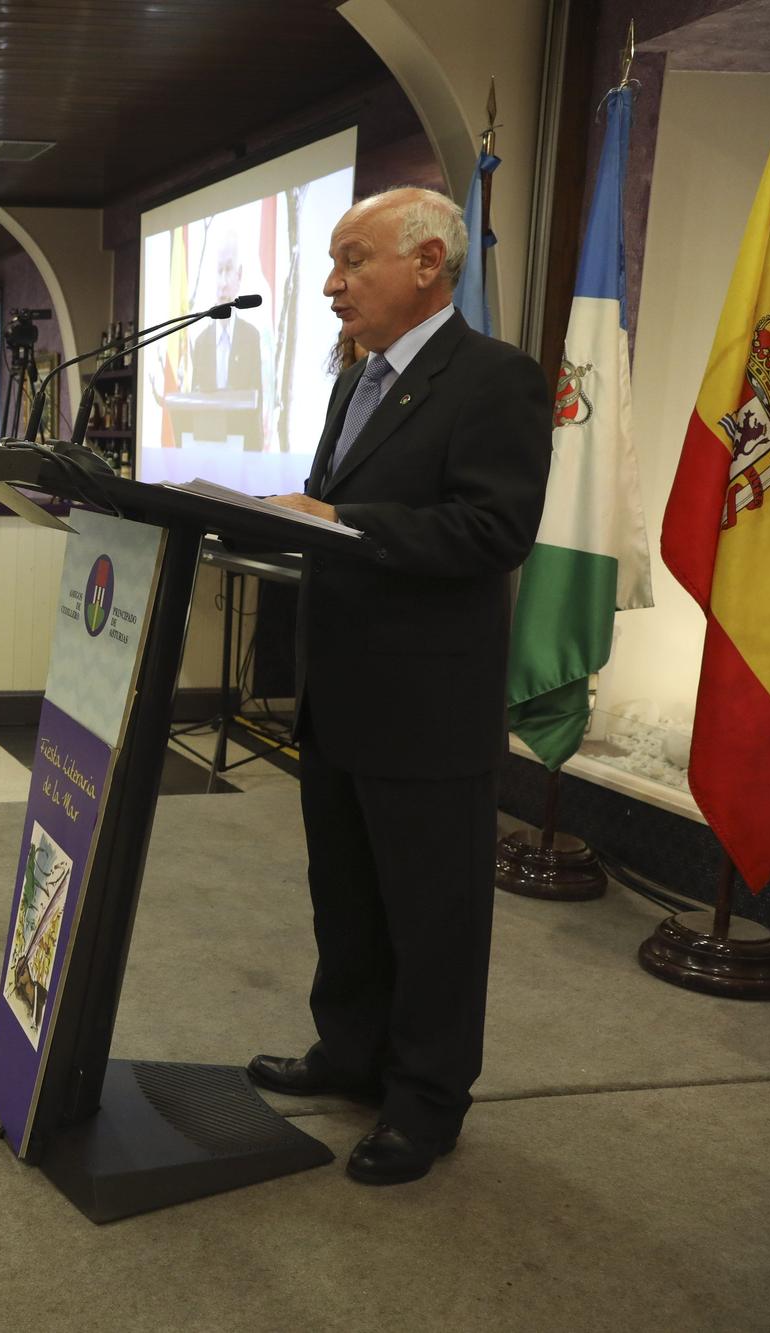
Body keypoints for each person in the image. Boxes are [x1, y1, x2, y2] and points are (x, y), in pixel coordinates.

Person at [257, 188, 552, 1186]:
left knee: (429, 913)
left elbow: (492, 530)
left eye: (352, 261)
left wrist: (340, 524)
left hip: (425, 706)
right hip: (337, 689)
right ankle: (348, 1055)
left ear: (426, 264)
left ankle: (424, 1100)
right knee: (342, 894)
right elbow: (332, 507)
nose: (331, 286)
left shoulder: (495, 381)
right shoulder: (353, 382)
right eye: (332, 265)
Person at [188, 230, 266, 450]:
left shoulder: (251, 337)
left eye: (228, 270)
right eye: (218, 271)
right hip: (205, 447)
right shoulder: (201, 341)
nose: (222, 282)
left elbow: (255, 402)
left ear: (239, 275)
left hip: (243, 450)